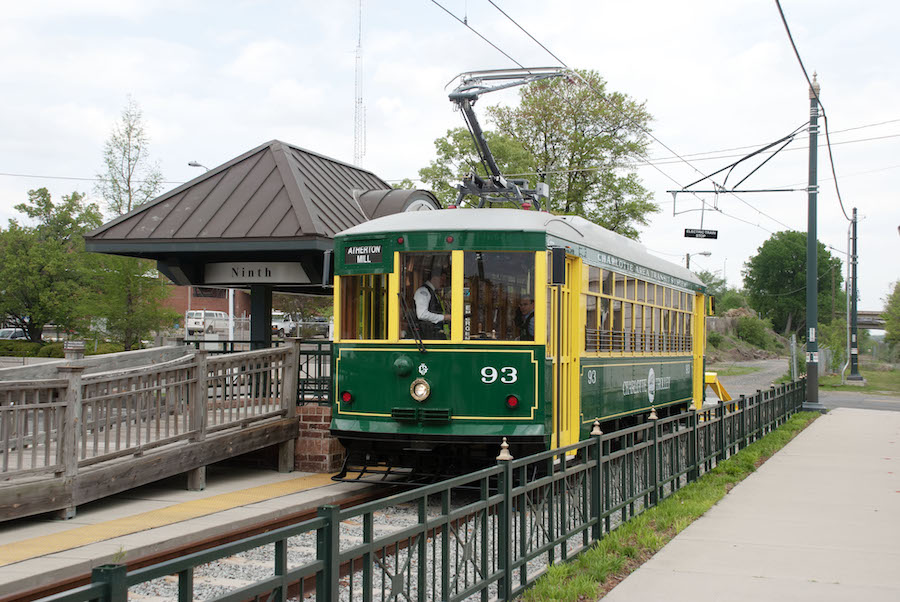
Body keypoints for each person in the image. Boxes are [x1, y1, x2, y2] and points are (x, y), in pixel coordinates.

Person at [414, 269, 450, 339]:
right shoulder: (423, 291)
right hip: (426, 336)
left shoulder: (433, 292)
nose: (444, 284)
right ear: (434, 278)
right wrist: (444, 317)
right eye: (442, 280)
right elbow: (422, 314)